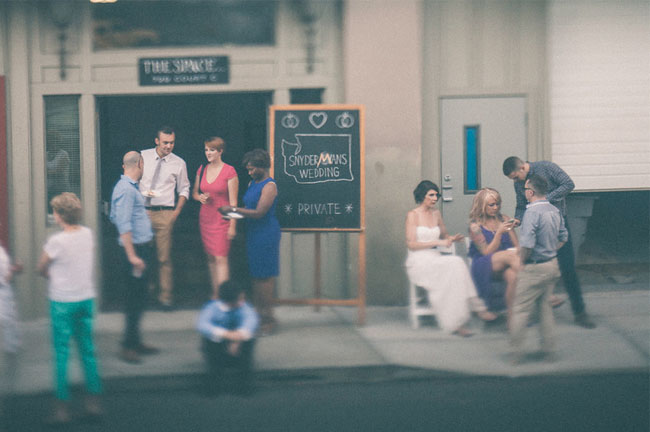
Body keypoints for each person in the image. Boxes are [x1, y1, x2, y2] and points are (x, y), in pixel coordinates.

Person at [502, 156, 596, 329]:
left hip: (556, 224)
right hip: (535, 229)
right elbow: (521, 205)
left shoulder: (547, 168)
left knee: (567, 268)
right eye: (512, 179)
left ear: (522, 167)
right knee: (533, 269)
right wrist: (517, 219)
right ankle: (534, 313)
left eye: (515, 177)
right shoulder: (518, 184)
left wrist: (544, 200)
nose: (515, 181)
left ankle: (580, 313)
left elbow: (568, 184)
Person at [37, 193, 102, 425]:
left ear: (60, 215)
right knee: (87, 351)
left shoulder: (56, 241)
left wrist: (51, 275)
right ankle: (93, 404)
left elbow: (41, 267)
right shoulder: (88, 234)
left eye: (55, 211)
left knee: (62, 354)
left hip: (62, 301)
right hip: (85, 298)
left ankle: (62, 410)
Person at [405, 181, 496, 337]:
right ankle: (474, 309)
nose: (435, 198)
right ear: (422, 196)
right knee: (454, 265)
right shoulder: (413, 215)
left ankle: (461, 320)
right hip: (419, 261)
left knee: (456, 264)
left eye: (436, 195)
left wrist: (451, 239)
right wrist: (438, 242)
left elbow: (445, 235)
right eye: (431, 195)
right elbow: (411, 244)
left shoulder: (436, 214)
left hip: (434, 258)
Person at [219, 149, 280, 336]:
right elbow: (248, 208)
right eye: (248, 169)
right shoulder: (252, 183)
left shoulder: (269, 186)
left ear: (263, 166)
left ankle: (268, 319)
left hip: (266, 233)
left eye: (253, 169)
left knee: (265, 277)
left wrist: (234, 209)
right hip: (253, 232)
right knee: (256, 276)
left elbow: (260, 212)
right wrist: (232, 214)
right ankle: (259, 315)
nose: (250, 172)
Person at [509, 175, 567, 364]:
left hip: (535, 267)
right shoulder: (554, 210)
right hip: (552, 264)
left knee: (520, 309)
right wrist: (550, 250)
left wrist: (522, 262)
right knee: (545, 309)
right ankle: (549, 350)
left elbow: (527, 244)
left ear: (531, 192)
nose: (524, 192)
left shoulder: (531, 213)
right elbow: (563, 237)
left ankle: (516, 354)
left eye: (525, 189)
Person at [110, 151, 159, 364]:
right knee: (133, 300)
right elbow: (123, 224)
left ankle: (135, 341)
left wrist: (142, 217)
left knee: (139, 298)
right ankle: (128, 346)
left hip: (140, 249)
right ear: (140, 163)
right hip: (135, 252)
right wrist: (132, 256)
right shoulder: (126, 190)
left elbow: (115, 216)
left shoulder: (130, 188)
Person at [139, 126, 191, 310]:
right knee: (143, 255)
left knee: (164, 257)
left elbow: (184, 189)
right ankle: (144, 293)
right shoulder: (142, 156)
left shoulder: (179, 163)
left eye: (172, 143)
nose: (168, 146)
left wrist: (175, 213)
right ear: (157, 141)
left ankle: (166, 297)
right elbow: (133, 180)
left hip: (165, 212)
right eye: (165, 142)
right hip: (143, 212)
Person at [192, 137, 239, 299]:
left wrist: (233, 226)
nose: (208, 153)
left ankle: (225, 297)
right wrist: (200, 197)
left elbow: (234, 203)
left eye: (212, 150)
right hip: (206, 218)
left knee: (221, 258)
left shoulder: (229, 171)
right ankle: (216, 294)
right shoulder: (202, 169)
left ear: (220, 151)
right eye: (206, 150)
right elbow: (195, 193)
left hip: (222, 219)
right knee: (211, 258)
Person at [197, 280, 259, 396]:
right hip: (219, 345)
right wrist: (226, 334)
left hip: (239, 344)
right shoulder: (212, 308)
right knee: (210, 339)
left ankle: (244, 385)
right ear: (230, 302)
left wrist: (237, 338)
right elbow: (202, 325)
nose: (243, 301)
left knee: (250, 337)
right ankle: (213, 384)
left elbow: (252, 321)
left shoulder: (244, 307)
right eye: (240, 299)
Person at [468, 188, 519, 315]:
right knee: (510, 255)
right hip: (484, 263)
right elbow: (486, 252)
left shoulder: (504, 219)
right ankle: (536, 285)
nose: (496, 208)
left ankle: (512, 317)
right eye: (491, 205)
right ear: (482, 205)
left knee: (513, 275)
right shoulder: (475, 226)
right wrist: (499, 233)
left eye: (497, 204)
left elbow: (516, 246)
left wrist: (510, 229)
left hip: (508, 261)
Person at [0, 230, 21, 410]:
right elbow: (5, 278)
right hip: (3, 296)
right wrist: (15, 269)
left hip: (4, 295)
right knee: (8, 329)